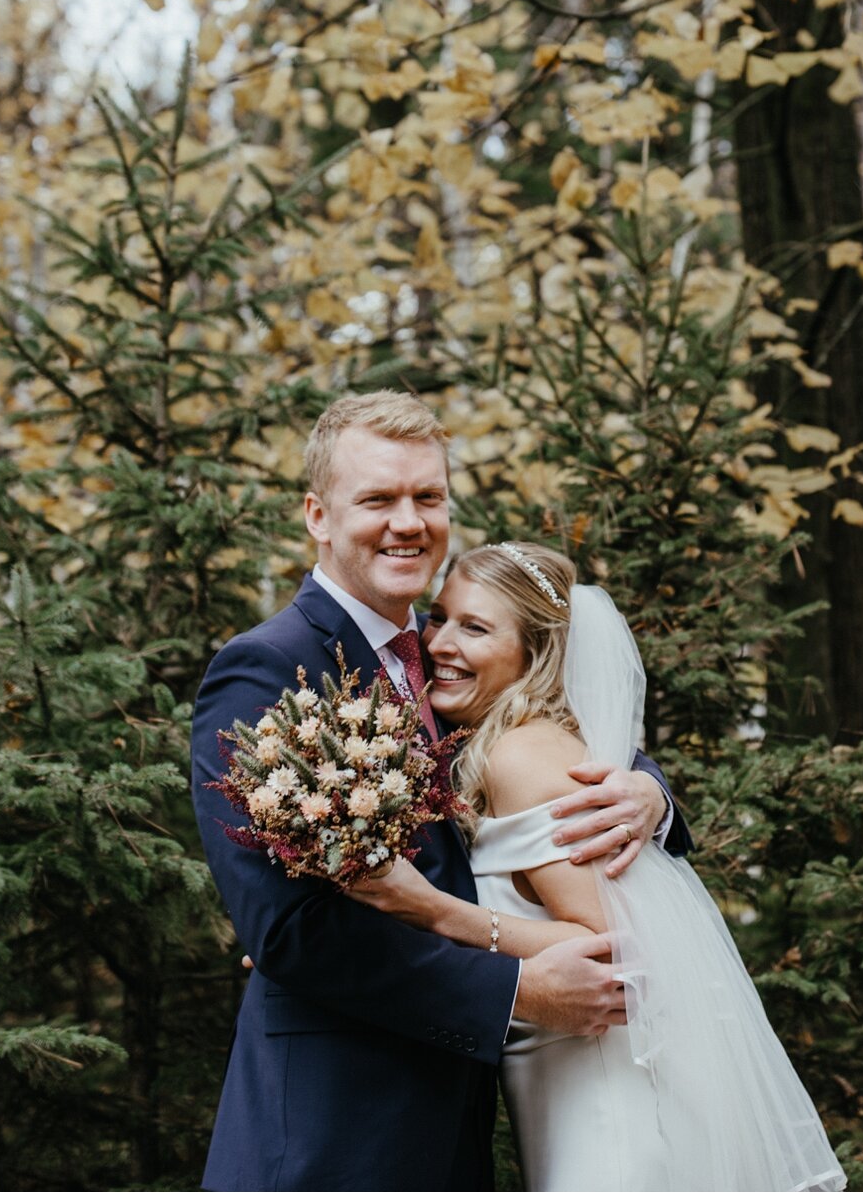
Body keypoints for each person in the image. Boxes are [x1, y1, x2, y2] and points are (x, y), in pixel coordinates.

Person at [189, 391, 692, 1190]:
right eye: (379, 499)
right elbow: (288, 932)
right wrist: (517, 990)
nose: (408, 521)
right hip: (334, 1128)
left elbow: (564, 729)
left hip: (459, 1127)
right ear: (319, 515)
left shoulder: (448, 650)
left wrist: (649, 793)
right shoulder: (266, 669)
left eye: (428, 497)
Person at [344, 541, 846, 1192]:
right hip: (565, 1087)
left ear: (536, 652)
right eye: (439, 617)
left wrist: (436, 912)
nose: (439, 642)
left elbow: (613, 954)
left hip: (606, 1100)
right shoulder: (505, 744)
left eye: (476, 627)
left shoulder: (522, 757)